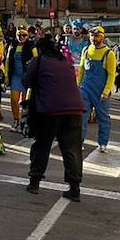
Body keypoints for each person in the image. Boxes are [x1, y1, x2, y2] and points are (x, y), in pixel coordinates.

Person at [22, 35, 85, 201]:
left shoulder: (40, 60)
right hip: (74, 109)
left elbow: (26, 82)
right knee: (71, 149)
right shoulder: (66, 62)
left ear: (40, 49)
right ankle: (74, 187)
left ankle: (34, 182)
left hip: (50, 110)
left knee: (42, 145)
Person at [78, 26, 117, 151]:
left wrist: (106, 91)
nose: (93, 38)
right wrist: (78, 87)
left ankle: (103, 143)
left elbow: (111, 75)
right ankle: (79, 141)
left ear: (102, 37)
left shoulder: (109, 54)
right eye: (91, 36)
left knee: (103, 118)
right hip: (85, 89)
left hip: (101, 91)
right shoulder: (86, 50)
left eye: (96, 36)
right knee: (82, 116)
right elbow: (82, 69)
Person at [4, 29, 31, 130]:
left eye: (24, 35)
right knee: (14, 100)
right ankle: (16, 120)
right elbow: (7, 61)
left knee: (24, 103)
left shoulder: (31, 46)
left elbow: (36, 60)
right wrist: (6, 76)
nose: (21, 37)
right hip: (15, 76)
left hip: (26, 77)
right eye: (19, 35)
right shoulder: (12, 46)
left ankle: (24, 122)